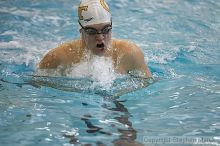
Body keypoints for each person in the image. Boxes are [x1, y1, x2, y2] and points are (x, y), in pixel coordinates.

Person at [38, 0, 152, 78]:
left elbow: (148, 86)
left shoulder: (130, 53)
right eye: (91, 31)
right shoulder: (58, 58)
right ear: (81, 30)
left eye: (106, 29)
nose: (100, 37)